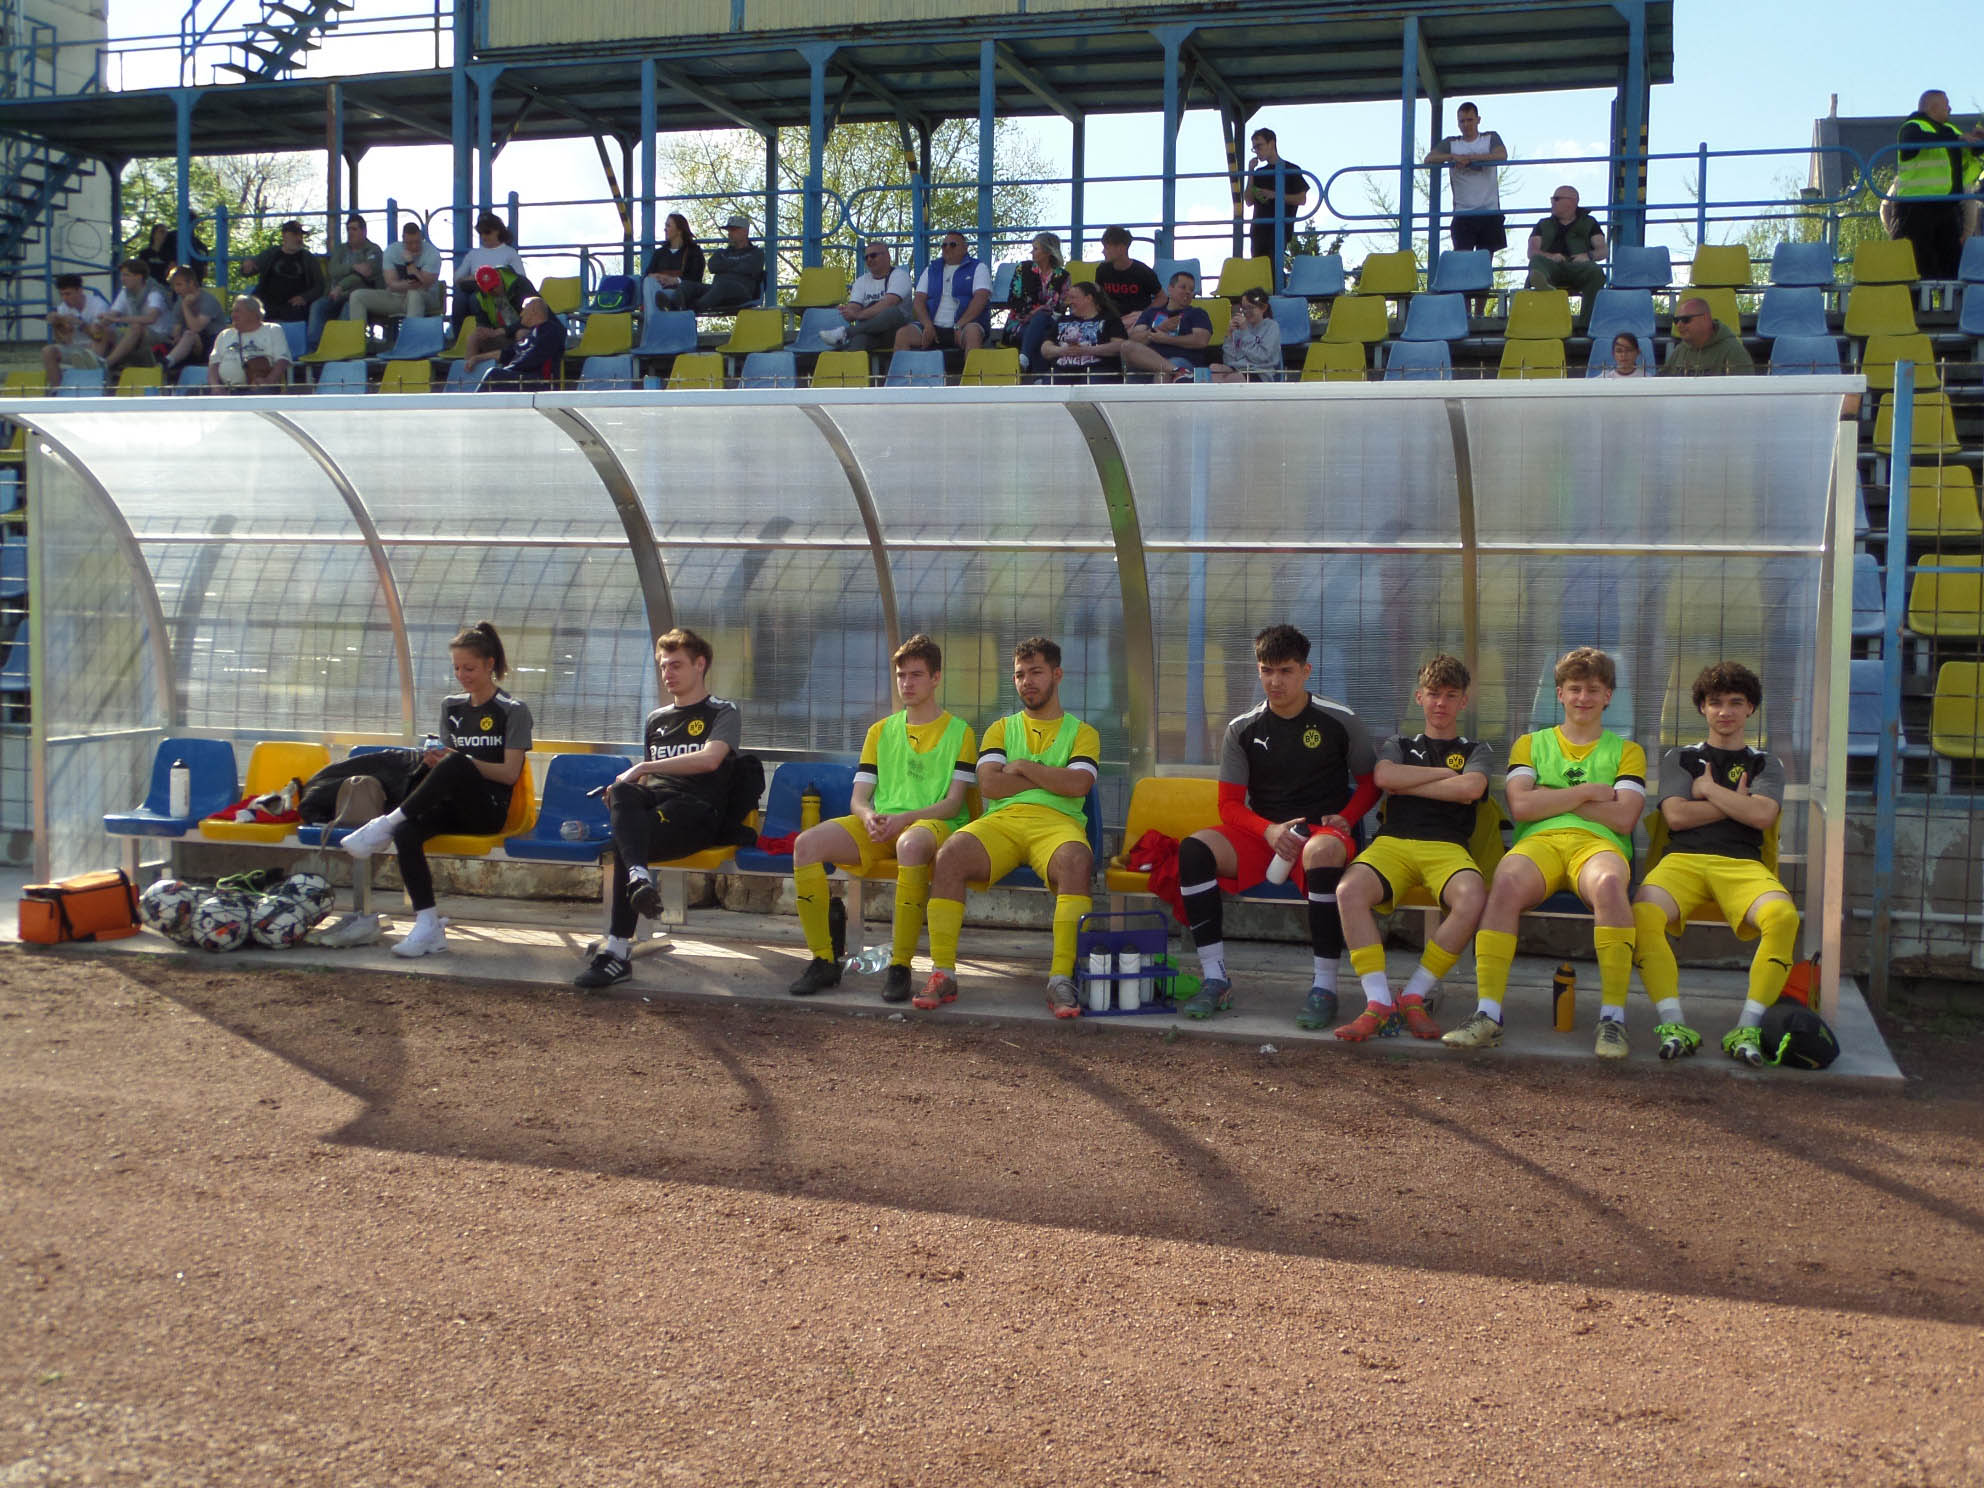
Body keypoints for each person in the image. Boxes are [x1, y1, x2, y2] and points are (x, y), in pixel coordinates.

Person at [1443, 647, 1644, 1059]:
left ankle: (1613, 1019)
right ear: (1559, 693)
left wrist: (1551, 796)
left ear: (1608, 695)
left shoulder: (1627, 751)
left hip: (1599, 845)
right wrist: (1588, 792)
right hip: (1539, 843)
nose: (1583, 698)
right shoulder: (1530, 744)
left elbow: (1624, 818)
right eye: (1575, 689)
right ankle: (1488, 1014)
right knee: (1505, 881)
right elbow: (1521, 807)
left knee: (1609, 883)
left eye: (1593, 689)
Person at [1175, 625, 1379, 1028]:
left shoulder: (1340, 720)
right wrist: (1269, 831)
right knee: (1193, 850)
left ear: (1306, 671)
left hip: (1321, 835)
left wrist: (1348, 817)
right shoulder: (1242, 728)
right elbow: (1229, 806)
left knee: (1322, 851)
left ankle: (1325, 987)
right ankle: (1215, 978)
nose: (1275, 681)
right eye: (1266, 671)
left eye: (1285, 671)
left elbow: (1371, 783)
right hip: (1264, 834)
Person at [784, 634, 978, 1002]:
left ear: (936, 678)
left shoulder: (961, 732)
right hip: (885, 824)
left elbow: (954, 804)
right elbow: (859, 798)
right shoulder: (880, 730)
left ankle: (900, 965)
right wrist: (869, 815)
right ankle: (824, 960)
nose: (907, 683)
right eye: (901, 675)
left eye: (916, 675)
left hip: (932, 825)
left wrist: (906, 819)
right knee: (805, 845)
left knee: (911, 844)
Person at [1629, 663, 1801, 1068]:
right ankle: (1673, 1024)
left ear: (1750, 709)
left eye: (1736, 703)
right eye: (1716, 702)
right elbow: (1676, 816)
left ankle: (1747, 1028)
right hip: (1682, 862)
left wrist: (1706, 790)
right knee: (1643, 914)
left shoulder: (1766, 763)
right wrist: (1737, 803)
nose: (1725, 711)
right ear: (1702, 708)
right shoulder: (1681, 757)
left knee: (1783, 917)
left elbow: (1763, 816)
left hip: (1742, 865)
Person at [919, 637, 1099, 1018]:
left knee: (1077, 860)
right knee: (949, 854)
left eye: (1036, 672)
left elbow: (1079, 785)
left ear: (1057, 674)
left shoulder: (1083, 732)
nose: (1026, 681)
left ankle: (1060, 979)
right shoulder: (1000, 728)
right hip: (1002, 822)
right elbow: (990, 785)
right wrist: (1051, 777)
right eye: (1019, 675)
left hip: (1058, 825)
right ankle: (943, 973)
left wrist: (1024, 767)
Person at [340, 622, 532, 960]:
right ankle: (427, 924)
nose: (461, 675)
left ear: (489, 664)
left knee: (457, 762)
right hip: (450, 803)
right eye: (456, 668)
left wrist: (460, 761)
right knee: (407, 832)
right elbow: (446, 766)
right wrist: (433, 762)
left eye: (469, 668)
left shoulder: (513, 710)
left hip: (487, 810)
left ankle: (383, 824)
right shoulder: (451, 707)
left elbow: (508, 774)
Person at [1331, 654, 1495, 1042]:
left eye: (1451, 695)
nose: (1441, 703)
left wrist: (1410, 783)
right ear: (1419, 697)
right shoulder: (1399, 743)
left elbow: (1472, 787)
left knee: (1472, 896)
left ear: (1463, 702)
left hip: (1447, 847)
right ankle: (1378, 1002)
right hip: (1393, 842)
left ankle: (1414, 995)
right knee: (1348, 890)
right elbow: (1384, 776)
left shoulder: (1477, 748)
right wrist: (1444, 776)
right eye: (1433, 694)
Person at [574, 628, 742, 991]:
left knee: (627, 840)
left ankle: (617, 953)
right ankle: (638, 882)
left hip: (697, 812)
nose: (668, 673)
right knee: (623, 795)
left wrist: (642, 767)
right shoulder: (657, 719)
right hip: (659, 806)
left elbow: (710, 760)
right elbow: (648, 785)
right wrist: (623, 795)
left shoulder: (723, 711)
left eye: (676, 665)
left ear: (700, 664)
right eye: (664, 666)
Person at [1892, 90, 1984, 281]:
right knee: (1915, 267)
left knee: (1952, 266)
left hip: (1946, 208)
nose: (1950, 108)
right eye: (1946, 104)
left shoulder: (1950, 131)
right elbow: (1915, 141)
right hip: (1915, 208)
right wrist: (1957, 139)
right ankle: (1915, 302)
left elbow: (1969, 150)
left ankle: (1951, 300)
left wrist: (1978, 141)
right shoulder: (1912, 126)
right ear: (1933, 107)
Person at [1424, 103, 1508, 256]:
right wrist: (1453, 157)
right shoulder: (1451, 143)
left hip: (1489, 211)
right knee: (1462, 260)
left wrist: (1471, 159)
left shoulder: (1490, 137)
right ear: (1457, 123)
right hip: (1463, 213)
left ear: (1478, 120)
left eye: (1470, 120)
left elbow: (1502, 155)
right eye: (1462, 121)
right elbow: (1429, 159)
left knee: (1485, 261)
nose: (1466, 125)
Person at [895, 230, 991, 353]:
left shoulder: (978, 267)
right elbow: (918, 300)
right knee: (903, 334)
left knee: (973, 333)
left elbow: (981, 299)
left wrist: (959, 325)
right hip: (932, 326)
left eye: (953, 245)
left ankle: (972, 367)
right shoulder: (931, 269)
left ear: (965, 248)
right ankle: (901, 367)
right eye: (944, 245)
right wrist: (927, 325)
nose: (947, 248)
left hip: (964, 325)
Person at [818, 238, 912, 352]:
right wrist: (848, 311)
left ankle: (845, 333)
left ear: (887, 256)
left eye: (873, 255)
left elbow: (888, 303)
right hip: (870, 332)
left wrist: (858, 315)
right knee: (859, 340)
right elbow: (854, 307)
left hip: (897, 333)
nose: (869, 260)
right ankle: (845, 359)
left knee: (892, 312)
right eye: (866, 257)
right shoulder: (861, 281)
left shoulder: (900, 276)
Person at [1120, 270, 1214, 380]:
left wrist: (1166, 339)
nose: (1188, 292)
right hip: (1148, 361)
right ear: (1170, 289)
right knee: (1126, 346)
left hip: (1182, 361)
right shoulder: (1150, 313)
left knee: (1162, 374)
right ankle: (1177, 371)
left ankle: (1175, 371)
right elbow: (1134, 339)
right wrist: (1160, 328)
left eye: (1191, 290)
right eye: (1183, 287)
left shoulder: (1197, 313)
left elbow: (1201, 341)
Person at [346, 220, 444, 322]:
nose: (414, 246)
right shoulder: (392, 251)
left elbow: (425, 285)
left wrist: (410, 264)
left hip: (426, 298)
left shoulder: (432, 253)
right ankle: (358, 332)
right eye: (410, 243)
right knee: (357, 296)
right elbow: (391, 283)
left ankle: (411, 332)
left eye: (417, 242)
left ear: (421, 238)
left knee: (414, 294)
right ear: (403, 239)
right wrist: (413, 283)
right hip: (396, 297)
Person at [310, 213, 384, 349]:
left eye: (354, 229)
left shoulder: (373, 250)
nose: (350, 233)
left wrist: (341, 286)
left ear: (364, 231)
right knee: (318, 306)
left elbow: (363, 276)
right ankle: (315, 349)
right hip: (334, 295)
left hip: (359, 296)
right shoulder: (341, 249)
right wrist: (354, 267)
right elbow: (333, 270)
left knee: (348, 308)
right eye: (348, 229)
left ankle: (339, 348)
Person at [1525, 185, 1606, 308]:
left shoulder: (1589, 222)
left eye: (1556, 199)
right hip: (1551, 267)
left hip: (1578, 267)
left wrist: (1588, 256)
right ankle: (1543, 285)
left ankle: (1589, 319)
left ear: (1572, 202)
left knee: (1596, 272)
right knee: (1536, 261)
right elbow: (1532, 252)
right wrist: (1551, 257)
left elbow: (1603, 250)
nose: (1552, 202)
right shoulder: (1543, 224)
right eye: (1552, 199)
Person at [1245, 128, 1310, 277]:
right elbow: (1248, 200)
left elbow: (1302, 199)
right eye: (1254, 148)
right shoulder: (1259, 173)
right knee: (1259, 275)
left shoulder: (1291, 170)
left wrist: (1275, 195)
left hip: (1279, 230)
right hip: (1258, 231)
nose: (1257, 151)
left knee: (1274, 272)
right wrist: (1250, 172)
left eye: (1259, 146)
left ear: (1271, 143)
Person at [1037, 281, 1128, 383]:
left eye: (1073, 298)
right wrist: (1064, 351)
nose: (1069, 302)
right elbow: (1045, 349)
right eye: (1069, 298)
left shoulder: (1109, 319)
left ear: (1088, 298)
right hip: (1062, 371)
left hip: (1097, 370)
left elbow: (1119, 346)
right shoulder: (1063, 320)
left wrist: (1085, 350)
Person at [1005, 231, 1071, 368]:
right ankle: (1039, 376)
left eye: (1036, 249)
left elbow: (1060, 307)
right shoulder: (1023, 269)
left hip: (1050, 322)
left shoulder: (1063, 276)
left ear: (1048, 252)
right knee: (1042, 336)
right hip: (1021, 321)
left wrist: (1039, 312)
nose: (1032, 252)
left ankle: (1024, 359)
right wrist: (1033, 312)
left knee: (1041, 320)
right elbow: (1014, 299)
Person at [242, 220, 325, 325]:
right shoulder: (271, 254)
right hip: (266, 302)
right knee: (248, 310)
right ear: (284, 236)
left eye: (301, 235)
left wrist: (304, 297)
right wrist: (247, 268)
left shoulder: (308, 258)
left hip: (293, 305)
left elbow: (320, 286)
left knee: (295, 316)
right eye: (295, 235)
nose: (299, 239)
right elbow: (249, 270)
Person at [476, 297, 567, 389]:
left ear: (533, 310)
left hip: (541, 382)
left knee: (494, 375)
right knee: (495, 374)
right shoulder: (530, 334)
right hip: (523, 379)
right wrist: (477, 358)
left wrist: (509, 369)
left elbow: (534, 357)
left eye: (523, 309)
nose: (521, 314)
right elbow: (507, 353)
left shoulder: (551, 330)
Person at [40, 274, 111, 390]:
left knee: (100, 333)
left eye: (68, 294)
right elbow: (64, 341)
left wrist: (80, 323)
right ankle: (57, 390)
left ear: (80, 290)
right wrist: (56, 326)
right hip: (77, 349)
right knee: (48, 351)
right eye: (62, 294)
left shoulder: (98, 305)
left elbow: (98, 335)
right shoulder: (63, 308)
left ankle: (94, 375)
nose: (64, 298)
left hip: (97, 348)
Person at [206, 294, 291, 391]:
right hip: (227, 389)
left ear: (253, 313)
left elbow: (282, 360)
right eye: (232, 311)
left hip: (259, 388)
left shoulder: (272, 330)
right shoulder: (224, 335)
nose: (233, 315)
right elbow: (213, 365)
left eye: (237, 311)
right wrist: (216, 387)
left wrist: (268, 381)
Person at [681, 215, 764, 312]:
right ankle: (674, 308)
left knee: (724, 286)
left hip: (741, 294)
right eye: (728, 231)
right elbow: (712, 266)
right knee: (686, 285)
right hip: (716, 291)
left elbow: (751, 269)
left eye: (733, 230)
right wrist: (737, 265)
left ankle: (692, 310)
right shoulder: (721, 252)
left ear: (745, 232)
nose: (729, 234)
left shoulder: (756, 253)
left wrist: (724, 265)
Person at [460, 263, 538, 365]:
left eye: (495, 285)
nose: (494, 291)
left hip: (528, 331)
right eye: (489, 289)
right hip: (500, 335)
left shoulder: (520, 284)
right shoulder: (479, 298)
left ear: (500, 278)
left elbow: (534, 317)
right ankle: (468, 371)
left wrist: (503, 331)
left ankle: (521, 369)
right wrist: (484, 330)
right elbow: (483, 322)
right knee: (474, 337)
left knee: (521, 333)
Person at [453, 211, 527, 317]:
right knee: (459, 300)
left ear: (497, 231)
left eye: (487, 232)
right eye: (480, 233)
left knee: (476, 299)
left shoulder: (510, 253)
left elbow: (521, 278)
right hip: (474, 289)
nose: (483, 236)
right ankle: (459, 328)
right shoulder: (473, 254)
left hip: (497, 295)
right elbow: (457, 278)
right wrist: (473, 278)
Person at [157, 263, 223, 378]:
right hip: (191, 344)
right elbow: (176, 328)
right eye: (174, 286)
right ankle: (164, 364)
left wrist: (186, 307)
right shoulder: (181, 300)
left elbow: (196, 328)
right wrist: (177, 337)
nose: (176, 289)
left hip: (213, 344)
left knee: (190, 334)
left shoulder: (208, 300)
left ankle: (167, 362)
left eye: (179, 285)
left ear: (191, 283)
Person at [1661, 297, 1754, 377]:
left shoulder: (1733, 351)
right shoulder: (1680, 350)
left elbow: (1744, 389)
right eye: (1676, 320)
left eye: (1685, 319)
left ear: (1705, 319)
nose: (1679, 325)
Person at [1207, 287, 1282, 382]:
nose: (1246, 312)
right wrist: (1229, 336)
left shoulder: (1271, 327)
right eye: (1244, 308)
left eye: (1250, 308)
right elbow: (1228, 361)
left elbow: (1262, 357)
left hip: (1259, 372)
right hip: (1238, 369)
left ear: (1263, 308)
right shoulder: (1239, 328)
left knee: (1229, 379)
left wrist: (1245, 332)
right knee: (1214, 369)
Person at [1092, 225, 1161, 317]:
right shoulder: (1102, 270)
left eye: (1107, 247)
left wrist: (1144, 314)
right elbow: (1098, 297)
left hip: (1136, 320)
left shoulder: (1143, 271)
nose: (1103, 251)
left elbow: (1162, 298)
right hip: (1111, 319)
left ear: (1121, 248)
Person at [644, 213, 706, 309]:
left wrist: (675, 280)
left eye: (668, 226)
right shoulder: (659, 252)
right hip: (658, 289)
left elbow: (696, 278)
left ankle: (667, 307)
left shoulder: (694, 251)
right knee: (648, 284)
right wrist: (656, 276)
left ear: (679, 230)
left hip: (681, 292)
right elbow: (647, 274)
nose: (665, 229)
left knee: (658, 297)